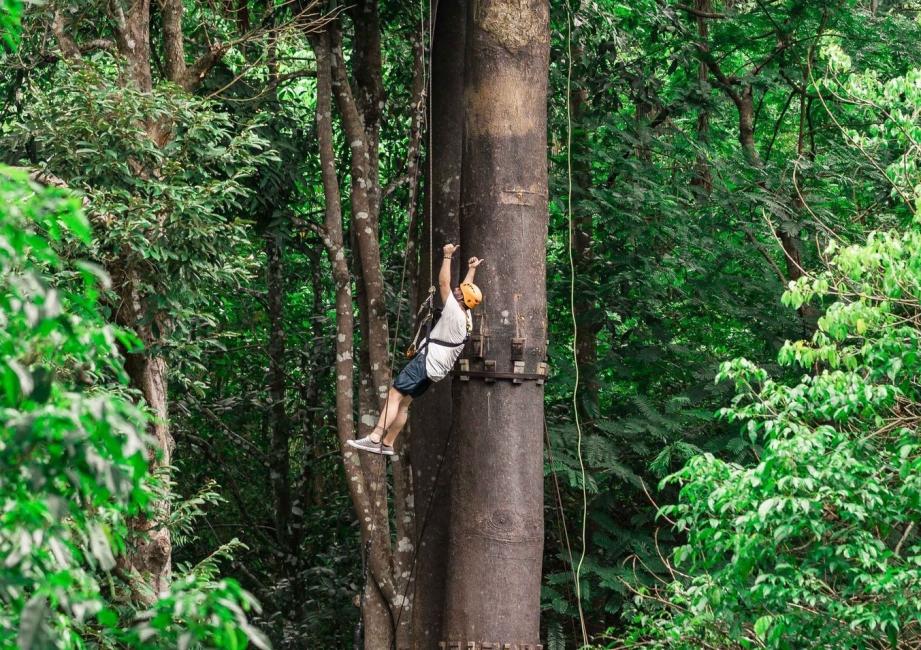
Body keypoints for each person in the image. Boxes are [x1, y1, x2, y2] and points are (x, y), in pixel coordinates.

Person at [347, 243, 483, 455]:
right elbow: (465, 289)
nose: (457, 289)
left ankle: (375, 437)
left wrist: (447, 256)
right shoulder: (467, 317)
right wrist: (472, 269)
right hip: (435, 370)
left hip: (426, 362)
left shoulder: (454, 312)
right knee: (403, 404)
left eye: (459, 291)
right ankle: (388, 443)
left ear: (461, 299)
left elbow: (444, 283)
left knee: (394, 395)